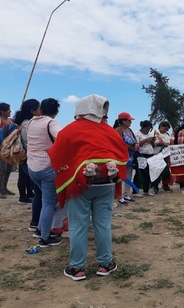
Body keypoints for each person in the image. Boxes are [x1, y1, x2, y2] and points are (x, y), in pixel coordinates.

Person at [48, 94, 128, 281]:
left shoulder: (69, 130)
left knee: (78, 226)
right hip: (106, 183)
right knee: (103, 224)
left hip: (80, 185)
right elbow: (122, 152)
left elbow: (56, 155)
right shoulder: (108, 131)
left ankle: (77, 268)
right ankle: (105, 264)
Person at [27, 98, 62, 247]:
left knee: (46, 200)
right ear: (57, 111)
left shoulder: (31, 122)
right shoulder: (51, 123)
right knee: (49, 202)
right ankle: (45, 238)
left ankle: (41, 229)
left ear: (41, 108)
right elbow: (63, 139)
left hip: (32, 167)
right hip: (46, 167)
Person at [14, 99, 41, 205]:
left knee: (23, 176)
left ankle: (27, 195)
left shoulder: (23, 122)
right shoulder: (27, 124)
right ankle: (23, 197)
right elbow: (28, 141)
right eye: (39, 108)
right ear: (32, 111)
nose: (40, 110)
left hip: (23, 154)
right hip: (26, 154)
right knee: (25, 177)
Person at [113, 112, 140, 204]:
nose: (130, 122)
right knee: (121, 176)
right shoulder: (118, 130)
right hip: (121, 156)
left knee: (128, 174)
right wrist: (131, 147)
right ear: (123, 121)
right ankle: (119, 196)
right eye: (129, 120)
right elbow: (119, 143)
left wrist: (135, 144)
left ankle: (126, 194)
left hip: (130, 156)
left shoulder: (130, 130)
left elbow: (134, 140)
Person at [134, 120, 155, 196]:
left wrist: (152, 141)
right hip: (141, 154)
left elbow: (153, 145)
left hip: (150, 154)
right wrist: (146, 140)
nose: (148, 130)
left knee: (148, 173)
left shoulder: (151, 134)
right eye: (147, 129)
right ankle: (136, 190)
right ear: (143, 127)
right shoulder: (137, 133)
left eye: (149, 129)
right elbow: (137, 145)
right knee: (140, 173)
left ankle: (146, 190)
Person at [153, 121, 173, 193]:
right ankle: (155, 186)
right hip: (157, 154)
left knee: (166, 171)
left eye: (167, 129)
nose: (166, 130)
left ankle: (165, 185)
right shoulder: (155, 133)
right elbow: (152, 143)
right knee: (157, 170)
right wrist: (160, 143)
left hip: (166, 155)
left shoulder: (167, 134)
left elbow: (171, 142)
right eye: (165, 129)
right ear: (161, 126)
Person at [0, 102, 15, 198]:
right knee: (2, 169)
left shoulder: (11, 121)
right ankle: (1, 189)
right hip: (1, 148)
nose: (10, 111)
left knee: (9, 168)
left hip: (10, 148)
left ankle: (4, 187)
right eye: (8, 110)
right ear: (2, 111)